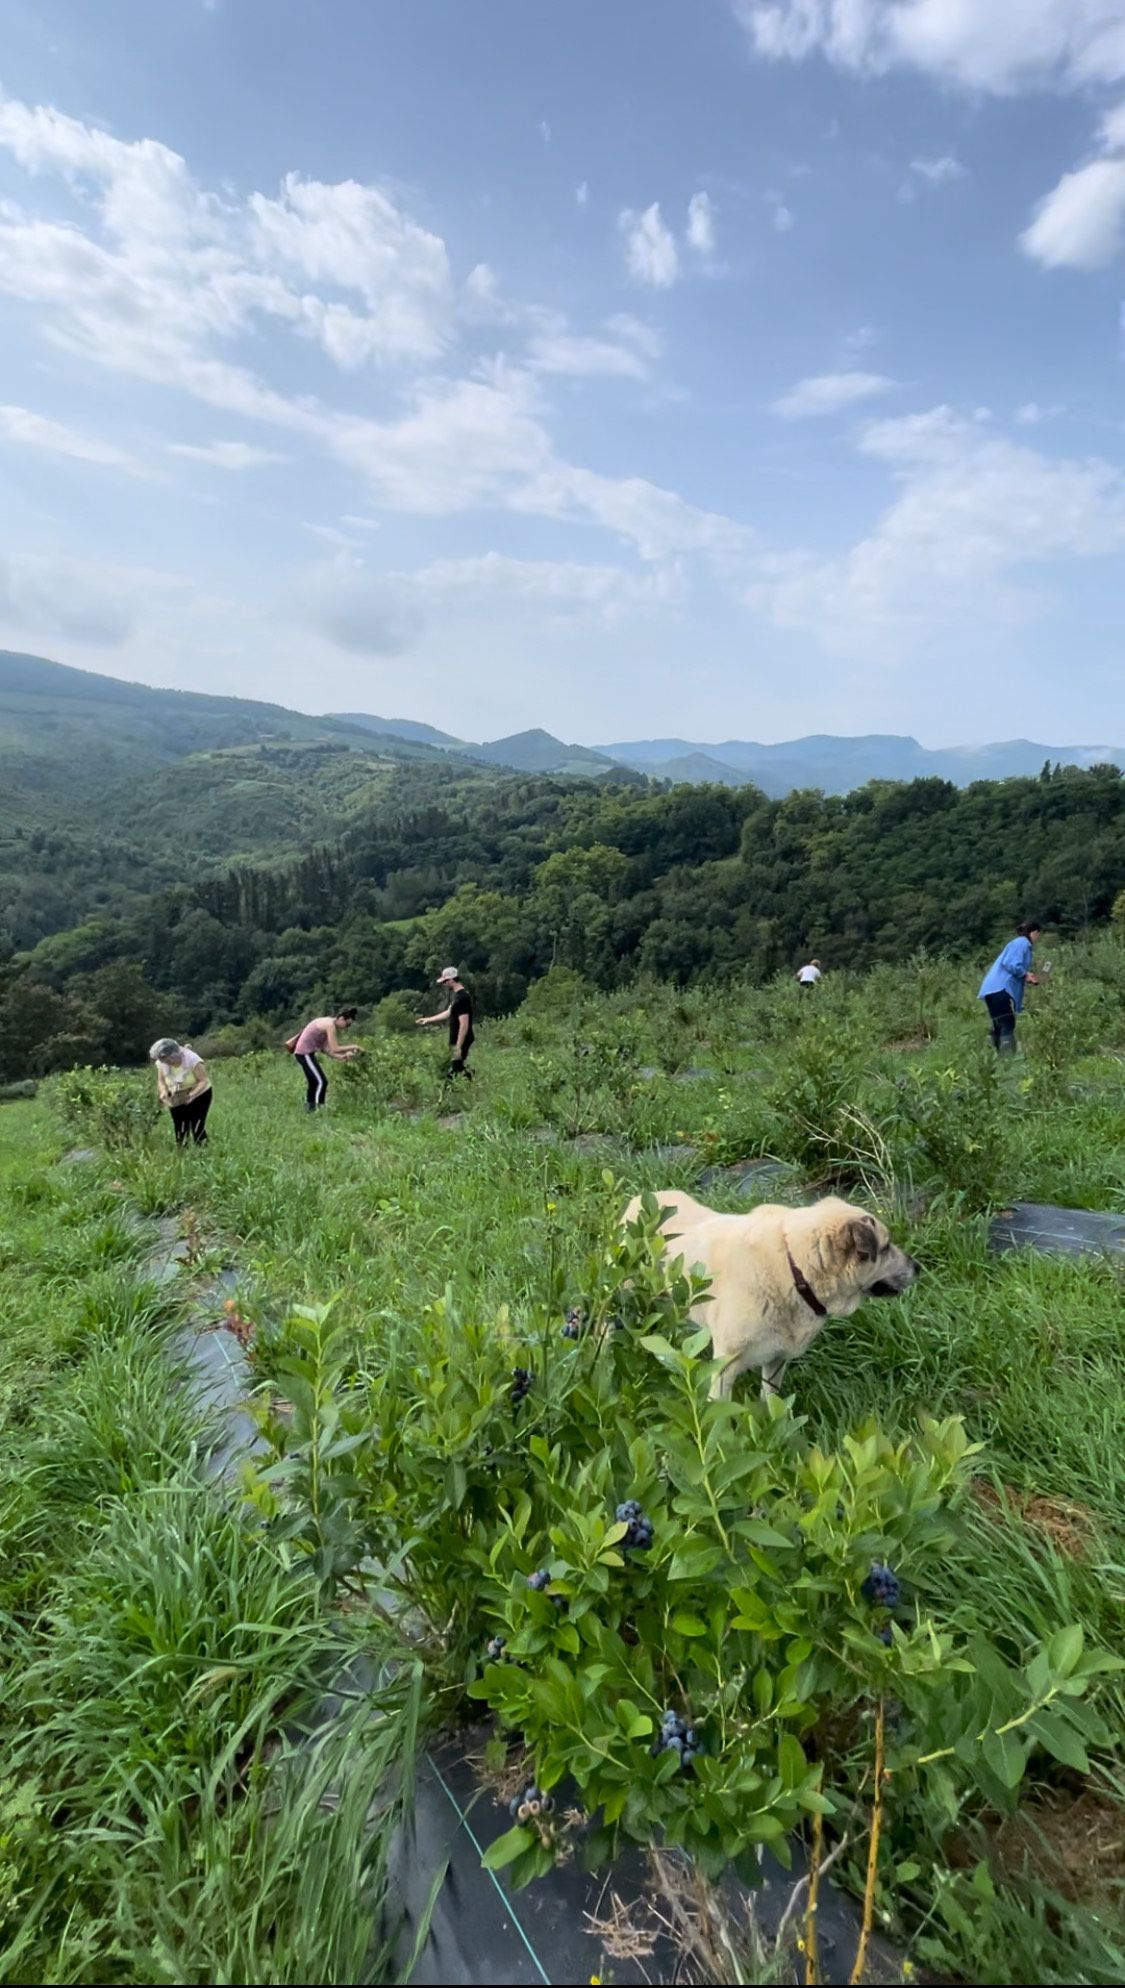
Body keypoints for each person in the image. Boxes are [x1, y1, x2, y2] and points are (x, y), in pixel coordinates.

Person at [978, 920, 1041, 1054]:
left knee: (998, 1023)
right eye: (1038, 934)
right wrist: (1025, 975)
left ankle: (989, 1057)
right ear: (1034, 932)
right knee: (1007, 1022)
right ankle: (1007, 1061)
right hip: (1001, 988)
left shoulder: (1016, 943)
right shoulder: (1023, 943)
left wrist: (1027, 975)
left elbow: (1012, 965)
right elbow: (1011, 964)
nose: (1038, 938)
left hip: (991, 988)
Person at [286, 1007, 360, 1110]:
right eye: (347, 1025)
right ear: (341, 1019)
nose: (346, 1028)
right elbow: (335, 1048)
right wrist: (354, 1046)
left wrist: (340, 1057)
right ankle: (319, 1108)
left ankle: (309, 1108)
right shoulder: (330, 1026)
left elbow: (326, 1049)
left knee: (313, 1082)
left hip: (305, 1053)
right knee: (322, 1081)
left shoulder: (328, 1022)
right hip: (304, 1053)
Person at [149, 1038, 212, 1146]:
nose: (166, 1062)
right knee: (180, 1126)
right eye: (163, 1060)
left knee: (196, 1125)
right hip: (176, 1094)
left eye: (168, 1059)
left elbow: (203, 1081)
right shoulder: (162, 1062)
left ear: (174, 1054)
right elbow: (161, 1081)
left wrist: (192, 1095)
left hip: (199, 1094)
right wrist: (163, 1091)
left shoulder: (192, 1059)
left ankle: (203, 1150)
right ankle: (182, 1151)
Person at [416, 966, 475, 1078]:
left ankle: (468, 1083)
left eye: (445, 981)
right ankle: (471, 1080)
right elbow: (448, 1013)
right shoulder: (456, 997)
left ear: (451, 980)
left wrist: (458, 1046)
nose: (444, 984)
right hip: (455, 1039)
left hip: (461, 1039)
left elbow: (464, 1025)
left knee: (455, 1067)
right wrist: (427, 1020)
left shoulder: (462, 998)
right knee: (457, 1066)